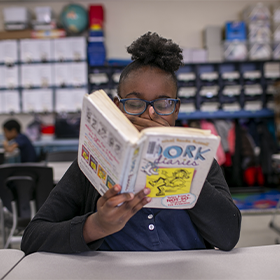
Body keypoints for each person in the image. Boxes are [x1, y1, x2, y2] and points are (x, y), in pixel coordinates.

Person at [21, 32, 241, 254]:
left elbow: (229, 236)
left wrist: (182, 169)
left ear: (176, 109)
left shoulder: (202, 164)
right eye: (135, 103)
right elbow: (32, 238)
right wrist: (96, 226)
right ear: (118, 106)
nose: (148, 115)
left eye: (163, 104)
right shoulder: (90, 165)